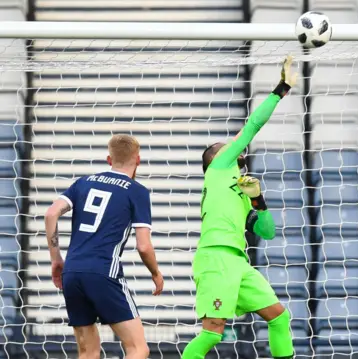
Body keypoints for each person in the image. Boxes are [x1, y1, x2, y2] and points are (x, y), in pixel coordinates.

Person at [181, 55, 297, 359]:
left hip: (237, 262)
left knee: (279, 316)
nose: (237, 150)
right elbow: (252, 126)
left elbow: (268, 232)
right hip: (216, 258)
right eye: (227, 147)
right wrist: (281, 89)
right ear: (215, 159)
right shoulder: (218, 168)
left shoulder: (238, 189)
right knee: (212, 332)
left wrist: (259, 201)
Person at [44, 134, 163, 359]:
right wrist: (156, 273)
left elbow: (50, 213)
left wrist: (56, 259)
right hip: (103, 272)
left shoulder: (83, 182)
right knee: (138, 349)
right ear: (138, 160)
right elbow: (144, 246)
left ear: (109, 159)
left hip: (72, 272)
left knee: (88, 353)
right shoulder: (136, 191)